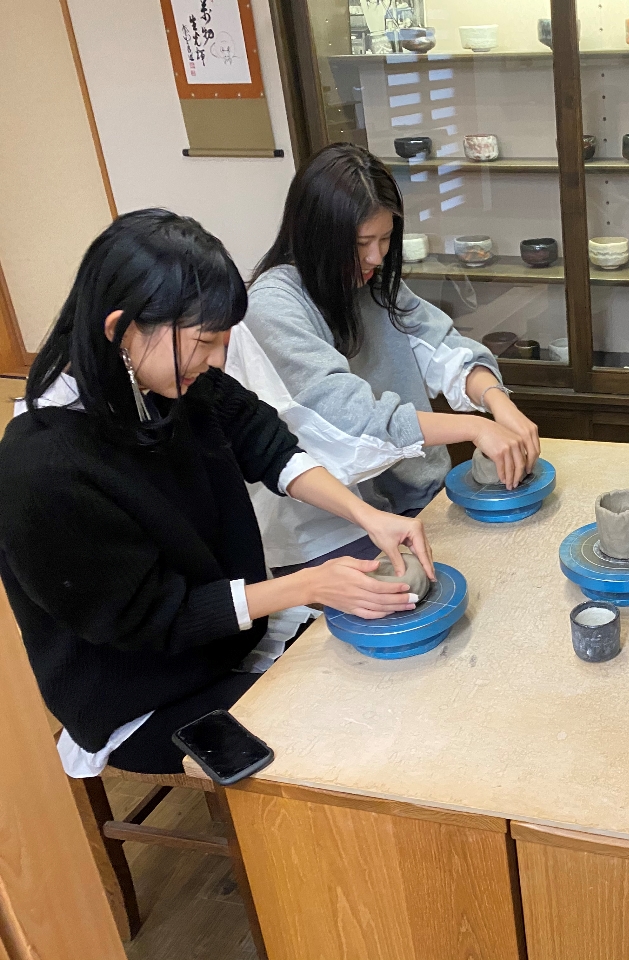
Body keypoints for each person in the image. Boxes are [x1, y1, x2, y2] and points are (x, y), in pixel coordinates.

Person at [0, 210, 434, 776]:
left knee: (384, 677)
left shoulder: (165, 380)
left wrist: (365, 514)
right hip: (141, 695)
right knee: (349, 728)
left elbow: (264, 441)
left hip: (223, 640)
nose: (217, 361)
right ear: (121, 330)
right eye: (205, 342)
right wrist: (308, 585)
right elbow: (152, 619)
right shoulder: (43, 468)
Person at [225, 142, 540, 572]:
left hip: (408, 500)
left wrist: (498, 403)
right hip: (328, 530)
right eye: (361, 243)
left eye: (386, 239)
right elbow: (351, 418)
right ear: (316, 235)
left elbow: (443, 347)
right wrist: (474, 426)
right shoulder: (273, 306)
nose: (376, 257)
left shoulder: (371, 282)